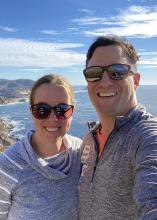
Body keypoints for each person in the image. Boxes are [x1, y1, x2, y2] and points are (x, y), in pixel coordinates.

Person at [78, 35, 157, 219]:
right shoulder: (89, 140)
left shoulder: (147, 137)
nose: (105, 81)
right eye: (94, 73)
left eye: (117, 71)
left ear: (136, 81)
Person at [0, 74, 82, 220]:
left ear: (72, 112)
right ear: (31, 112)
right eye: (42, 110)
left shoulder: (80, 151)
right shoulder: (7, 165)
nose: (52, 118)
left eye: (62, 109)